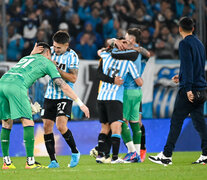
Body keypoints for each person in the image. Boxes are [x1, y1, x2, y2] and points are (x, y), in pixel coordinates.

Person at [0, 42, 89, 169]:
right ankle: (30, 162)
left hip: (2, 82)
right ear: (48, 53)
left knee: (6, 123)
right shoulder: (47, 62)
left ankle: (6, 162)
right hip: (17, 86)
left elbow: (24, 75)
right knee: (28, 122)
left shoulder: (26, 58)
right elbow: (63, 85)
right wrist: (81, 104)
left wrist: (28, 102)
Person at [148, 16, 207, 165]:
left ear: (179, 29)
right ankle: (206, 154)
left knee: (176, 121)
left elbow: (188, 66)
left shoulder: (184, 44)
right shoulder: (200, 44)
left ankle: (166, 155)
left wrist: (187, 88)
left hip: (190, 90)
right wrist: (181, 77)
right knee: (199, 122)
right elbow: (196, 67)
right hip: (201, 88)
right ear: (193, 28)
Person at [31, 31, 81, 168]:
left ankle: (75, 152)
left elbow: (73, 78)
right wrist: (33, 52)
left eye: (59, 47)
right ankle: (53, 161)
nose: (56, 50)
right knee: (47, 127)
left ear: (67, 45)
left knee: (60, 125)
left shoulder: (72, 56)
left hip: (65, 94)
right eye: (54, 46)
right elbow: (31, 62)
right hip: (50, 95)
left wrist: (56, 69)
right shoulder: (49, 51)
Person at [96, 42, 143, 164]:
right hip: (115, 98)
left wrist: (111, 43)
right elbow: (139, 82)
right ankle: (115, 158)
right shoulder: (129, 63)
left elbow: (99, 53)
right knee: (116, 128)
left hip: (101, 97)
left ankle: (100, 155)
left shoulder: (105, 56)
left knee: (104, 128)